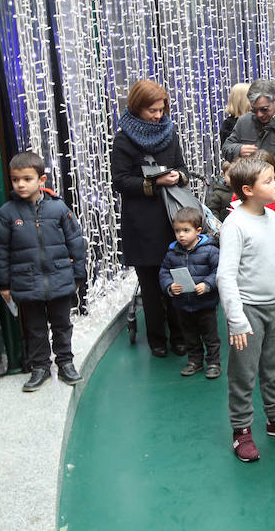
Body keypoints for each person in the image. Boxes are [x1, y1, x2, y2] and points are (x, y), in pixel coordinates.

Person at [217, 158, 275, 462]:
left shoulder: (272, 218)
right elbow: (225, 275)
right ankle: (241, 430)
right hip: (247, 310)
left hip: (274, 307)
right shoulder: (234, 225)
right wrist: (236, 320)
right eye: (268, 181)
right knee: (243, 373)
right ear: (248, 189)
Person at [0, 151, 86, 392]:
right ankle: (40, 366)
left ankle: (65, 363)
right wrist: (4, 284)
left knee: (62, 324)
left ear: (41, 180)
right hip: (26, 283)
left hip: (60, 278)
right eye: (15, 179)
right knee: (34, 328)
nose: (20, 184)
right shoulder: (6, 214)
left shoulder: (59, 208)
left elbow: (75, 241)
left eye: (27, 179)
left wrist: (78, 275)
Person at [111, 79, 188, 358]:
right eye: (152, 110)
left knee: (177, 283)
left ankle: (180, 336)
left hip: (173, 221)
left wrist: (179, 176)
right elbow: (120, 181)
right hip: (141, 225)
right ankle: (157, 339)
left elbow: (181, 167)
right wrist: (153, 183)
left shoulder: (170, 131)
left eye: (161, 109)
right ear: (137, 107)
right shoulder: (123, 139)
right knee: (152, 289)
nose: (158, 115)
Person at [158, 207, 222, 379]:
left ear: (198, 230)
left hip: (205, 304)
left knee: (210, 335)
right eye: (178, 231)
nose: (181, 235)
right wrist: (170, 287)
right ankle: (195, 361)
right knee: (190, 336)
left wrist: (207, 284)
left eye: (186, 230)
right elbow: (164, 272)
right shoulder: (172, 252)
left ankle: (214, 362)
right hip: (183, 305)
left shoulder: (209, 250)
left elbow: (219, 271)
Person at [222, 79, 275, 183]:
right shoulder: (244, 121)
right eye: (254, 110)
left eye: (264, 109)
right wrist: (239, 149)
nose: (259, 114)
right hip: (255, 190)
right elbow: (226, 147)